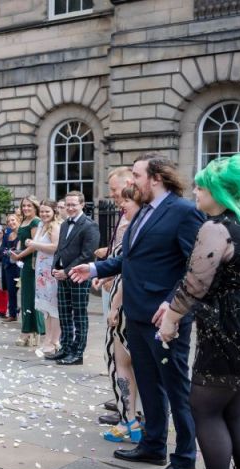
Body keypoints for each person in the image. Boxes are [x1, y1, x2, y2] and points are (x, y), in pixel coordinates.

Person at [70, 152, 204, 469]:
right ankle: (153, 445)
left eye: (136, 175)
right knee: (148, 382)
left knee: (176, 388)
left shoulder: (184, 212)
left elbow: (196, 267)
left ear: (156, 177)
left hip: (165, 319)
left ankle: (185, 460)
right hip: (137, 314)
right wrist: (96, 268)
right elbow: (129, 260)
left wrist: (173, 306)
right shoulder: (143, 210)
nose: (131, 181)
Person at [158, 155, 240, 469]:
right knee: (234, 410)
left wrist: (170, 320)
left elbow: (195, 283)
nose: (195, 191)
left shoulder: (217, 227)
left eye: (201, 187)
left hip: (227, 332)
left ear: (219, 192)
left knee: (205, 409)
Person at [101, 186, 143, 443]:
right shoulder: (138, 226)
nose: (120, 204)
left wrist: (115, 305)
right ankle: (134, 419)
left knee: (122, 363)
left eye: (125, 199)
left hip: (126, 301)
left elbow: (129, 271)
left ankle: (130, 420)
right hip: (127, 296)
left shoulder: (134, 229)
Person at [93, 167, 134, 424]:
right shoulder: (125, 214)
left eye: (115, 190)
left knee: (123, 356)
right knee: (116, 355)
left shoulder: (135, 218)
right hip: (116, 285)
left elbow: (128, 260)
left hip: (127, 295)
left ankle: (129, 412)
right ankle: (124, 403)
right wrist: (106, 274)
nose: (113, 196)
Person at [48, 191, 99, 365]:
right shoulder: (63, 225)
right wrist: (55, 267)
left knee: (79, 315)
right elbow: (60, 249)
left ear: (82, 205)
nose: (69, 208)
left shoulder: (89, 225)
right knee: (64, 314)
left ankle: (77, 353)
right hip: (62, 275)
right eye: (67, 204)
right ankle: (66, 348)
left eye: (73, 205)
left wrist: (67, 271)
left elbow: (87, 255)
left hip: (79, 276)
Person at [24, 200, 61, 356]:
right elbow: (36, 244)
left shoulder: (56, 226)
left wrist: (34, 244)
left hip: (51, 271)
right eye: (43, 211)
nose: (44, 214)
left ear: (53, 212)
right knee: (45, 308)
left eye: (47, 211)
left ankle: (54, 341)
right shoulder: (40, 225)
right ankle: (47, 338)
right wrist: (30, 244)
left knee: (53, 308)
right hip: (40, 270)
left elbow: (55, 247)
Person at [10, 196, 45, 346]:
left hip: (32, 263)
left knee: (30, 297)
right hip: (25, 263)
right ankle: (30, 330)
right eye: (24, 206)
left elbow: (34, 245)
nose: (26, 208)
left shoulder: (36, 221)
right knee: (25, 297)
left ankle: (30, 331)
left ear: (35, 207)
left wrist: (20, 255)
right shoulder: (24, 221)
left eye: (29, 206)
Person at [0, 213, 21, 322]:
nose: (11, 223)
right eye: (8, 221)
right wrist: (8, 253)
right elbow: (2, 249)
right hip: (9, 265)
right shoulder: (8, 234)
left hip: (20, 266)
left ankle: (25, 314)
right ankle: (12, 314)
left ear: (18, 220)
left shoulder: (23, 233)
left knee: (23, 291)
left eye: (13, 220)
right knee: (11, 291)